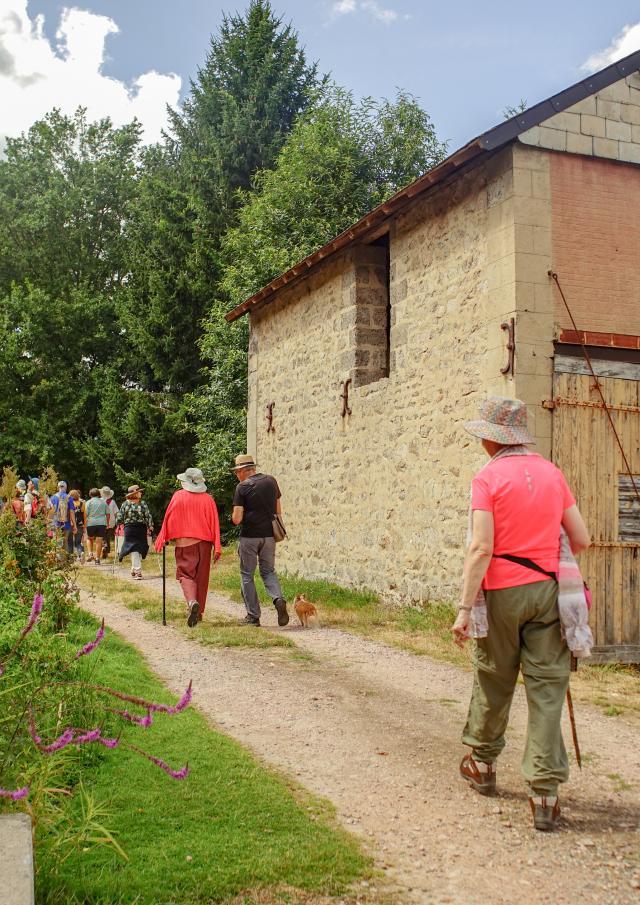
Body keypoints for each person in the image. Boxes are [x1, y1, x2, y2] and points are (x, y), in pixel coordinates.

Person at [452, 397, 590, 832]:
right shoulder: (552, 473)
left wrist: (462, 608)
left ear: (492, 439)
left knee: (494, 676)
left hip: (502, 593)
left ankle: (483, 765)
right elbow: (580, 538)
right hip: (551, 592)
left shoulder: (487, 478)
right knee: (548, 688)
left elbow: (480, 548)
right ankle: (545, 795)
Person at [155, 468, 222, 627]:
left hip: (185, 543)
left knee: (185, 575)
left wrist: (164, 536)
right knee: (202, 578)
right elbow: (215, 523)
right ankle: (198, 613)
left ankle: (192, 603)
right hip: (205, 543)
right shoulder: (208, 499)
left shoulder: (178, 496)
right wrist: (217, 545)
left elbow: (169, 517)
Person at [231, 454, 289, 627]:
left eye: (237, 472)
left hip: (250, 536)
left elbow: (237, 518)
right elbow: (278, 510)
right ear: (253, 468)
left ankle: (253, 616)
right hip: (269, 536)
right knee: (268, 571)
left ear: (242, 471)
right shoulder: (271, 481)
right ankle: (278, 598)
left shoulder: (242, 487)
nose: (237, 475)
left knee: (247, 575)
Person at [117, 485, 153, 580]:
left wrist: (150, 525)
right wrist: (150, 525)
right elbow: (148, 516)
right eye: (139, 492)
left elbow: (119, 518)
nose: (141, 493)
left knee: (140, 548)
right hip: (132, 529)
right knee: (134, 548)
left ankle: (133, 568)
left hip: (137, 528)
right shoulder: (139, 504)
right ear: (135, 493)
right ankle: (138, 572)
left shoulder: (128, 504)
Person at [49, 481, 77, 555]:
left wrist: (49, 523)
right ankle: (64, 561)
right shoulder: (69, 498)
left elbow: (51, 512)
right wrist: (74, 525)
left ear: (58, 487)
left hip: (55, 523)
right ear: (66, 487)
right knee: (65, 541)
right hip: (66, 524)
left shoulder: (52, 498)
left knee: (56, 541)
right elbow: (71, 512)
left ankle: (57, 560)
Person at [84, 488, 107, 563]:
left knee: (89, 538)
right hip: (101, 523)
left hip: (91, 523)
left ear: (90, 495)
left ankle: (90, 554)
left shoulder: (88, 502)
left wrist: (85, 524)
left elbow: (86, 514)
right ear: (99, 494)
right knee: (99, 541)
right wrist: (107, 523)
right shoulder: (103, 502)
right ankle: (97, 559)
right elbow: (108, 514)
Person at [100, 486, 119, 560]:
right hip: (111, 522)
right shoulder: (112, 502)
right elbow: (116, 512)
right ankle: (106, 551)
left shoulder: (100, 501)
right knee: (108, 536)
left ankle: (104, 546)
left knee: (102, 535)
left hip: (102, 521)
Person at [69, 490, 86, 561]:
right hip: (80, 524)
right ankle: (81, 552)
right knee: (78, 542)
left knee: (70, 541)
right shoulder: (82, 503)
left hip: (70, 524)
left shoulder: (69, 503)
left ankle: (70, 557)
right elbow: (85, 516)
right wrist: (85, 526)